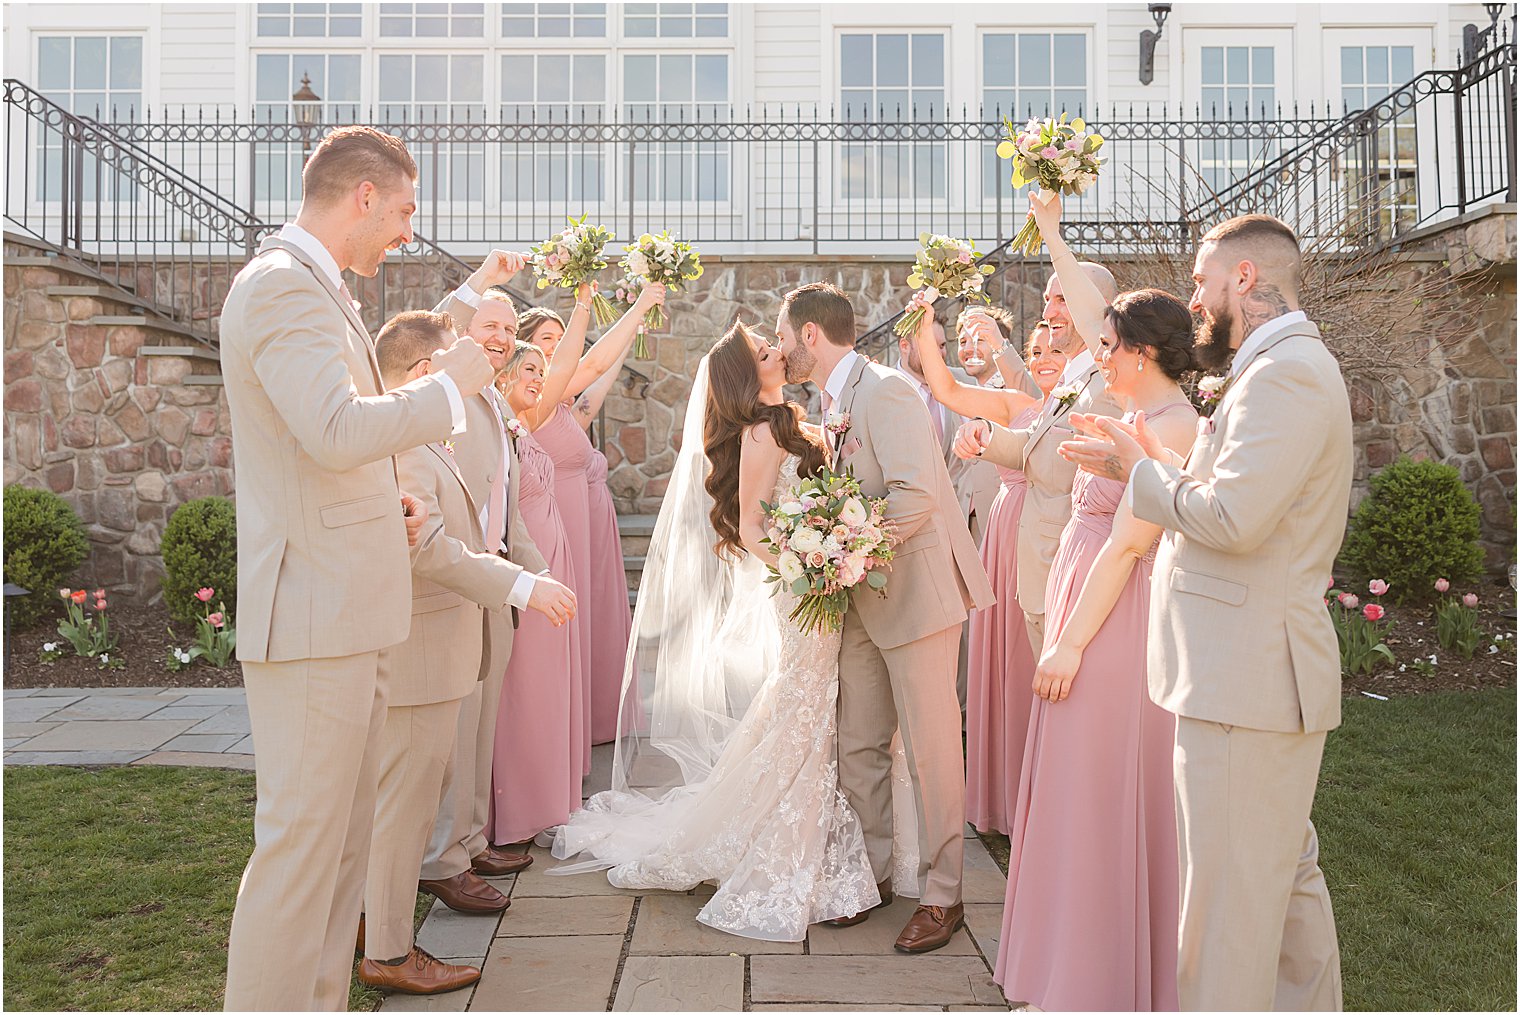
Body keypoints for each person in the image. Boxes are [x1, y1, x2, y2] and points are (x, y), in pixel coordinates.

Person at [219, 125, 496, 1011]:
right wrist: (451, 385)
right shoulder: (278, 289)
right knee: (302, 855)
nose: (409, 231)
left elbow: (334, 445)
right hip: (312, 618)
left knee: (341, 852)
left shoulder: (318, 290)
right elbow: (334, 427)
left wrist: (392, 498)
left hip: (349, 609)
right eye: (406, 209)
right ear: (364, 196)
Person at [1061, 213, 1348, 1012]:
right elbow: (1241, 494)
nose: (1194, 298)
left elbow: (1234, 518)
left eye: (1199, 279)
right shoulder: (1275, 364)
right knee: (1283, 894)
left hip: (1244, 679)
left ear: (1244, 279)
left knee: (1223, 913)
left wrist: (1141, 475)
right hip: (1250, 674)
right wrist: (1145, 457)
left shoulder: (1284, 372)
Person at [549, 321, 918, 942]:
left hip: (823, 580)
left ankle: (838, 831)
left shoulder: (795, 417)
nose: (775, 350)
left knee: (813, 709)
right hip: (805, 591)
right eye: (762, 350)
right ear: (746, 375)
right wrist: (812, 565)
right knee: (807, 709)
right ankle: (787, 843)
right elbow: (751, 529)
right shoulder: (758, 434)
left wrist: (833, 546)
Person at [988, 224, 1199, 1009]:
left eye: (1105, 342)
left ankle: (1103, 978)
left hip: (1115, 629)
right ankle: (1066, 965)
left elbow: (1127, 547)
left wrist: (1069, 644)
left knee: (1100, 794)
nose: (1095, 351)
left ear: (1139, 352)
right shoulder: (1125, 413)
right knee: (1073, 796)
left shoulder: (1175, 425)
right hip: (1088, 603)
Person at [359, 311, 575, 995]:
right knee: (403, 807)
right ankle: (391, 951)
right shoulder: (412, 447)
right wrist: (520, 583)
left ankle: (372, 921)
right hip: (421, 645)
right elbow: (430, 550)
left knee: (408, 800)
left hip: (440, 644)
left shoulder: (429, 437)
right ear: (426, 375)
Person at [779, 282, 994, 952]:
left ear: (811, 335)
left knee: (932, 751)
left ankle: (944, 893)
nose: (781, 348)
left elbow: (917, 494)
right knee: (859, 743)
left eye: (784, 337)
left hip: (918, 595)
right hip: (862, 598)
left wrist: (841, 548)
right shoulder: (831, 399)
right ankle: (866, 878)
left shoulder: (889, 391)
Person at [951, 194, 1124, 659]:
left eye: (1063, 297)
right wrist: (989, 438)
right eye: (1047, 298)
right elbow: (1038, 446)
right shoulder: (1070, 377)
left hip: (1078, 572)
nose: (1049, 310)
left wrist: (1051, 232)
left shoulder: (1109, 373)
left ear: (1097, 308)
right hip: (1041, 568)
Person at [518, 285, 667, 764]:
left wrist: (630, 334)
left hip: (580, 520)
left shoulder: (559, 403)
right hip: (553, 520)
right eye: (548, 341)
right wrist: (619, 304)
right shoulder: (536, 402)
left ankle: (587, 722)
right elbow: (589, 366)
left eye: (562, 341)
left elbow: (596, 377)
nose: (558, 350)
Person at [961, 323, 1067, 835]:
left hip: (1048, 535)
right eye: (1036, 350)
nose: (1046, 358)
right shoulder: (1016, 402)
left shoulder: (1059, 401)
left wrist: (998, 345)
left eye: (1054, 350)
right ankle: (1008, 793)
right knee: (1007, 658)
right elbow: (950, 391)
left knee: (1030, 660)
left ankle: (1044, 789)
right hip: (1008, 532)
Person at [486, 340, 590, 847]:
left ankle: (549, 799)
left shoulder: (522, 426)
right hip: (525, 575)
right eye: (529, 368)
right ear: (502, 374)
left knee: (547, 684)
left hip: (550, 564)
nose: (540, 378)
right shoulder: (493, 427)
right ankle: (516, 811)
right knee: (525, 688)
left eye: (543, 371)